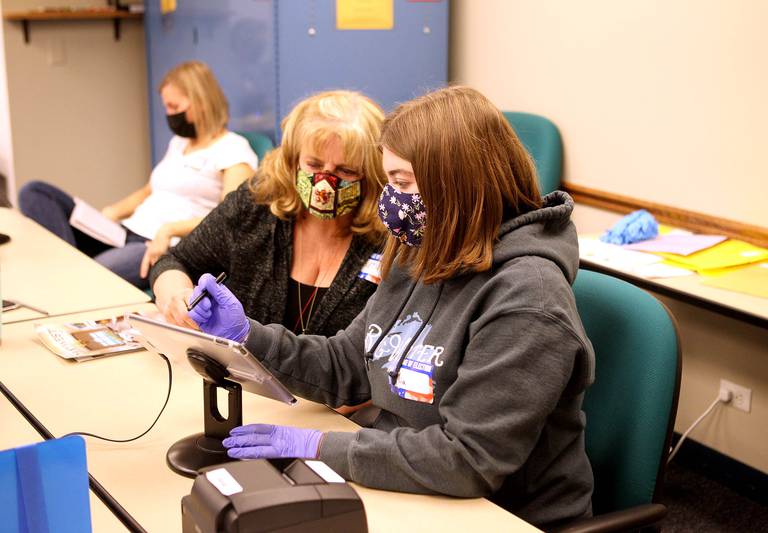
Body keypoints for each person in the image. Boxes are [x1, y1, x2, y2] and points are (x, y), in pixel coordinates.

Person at [186, 86, 595, 530]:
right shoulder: (423, 249)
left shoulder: (528, 300)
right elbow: (349, 363)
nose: (389, 201)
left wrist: (322, 448)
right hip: (406, 482)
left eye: (401, 183)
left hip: (499, 515)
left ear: (455, 184)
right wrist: (248, 336)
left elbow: (468, 460)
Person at [150, 90, 387, 343]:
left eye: (346, 170)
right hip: (239, 378)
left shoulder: (389, 240)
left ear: (373, 174)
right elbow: (175, 261)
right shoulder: (257, 205)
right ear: (292, 160)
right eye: (314, 165)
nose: (324, 184)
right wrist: (178, 296)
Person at [18, 61, 258, 289]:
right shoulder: (179, 143)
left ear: (201, 102)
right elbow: (148, 191)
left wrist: (169, 230)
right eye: (166, 107)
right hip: (124, 232)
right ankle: (72, 269)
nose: (168, 114)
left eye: (174, 107)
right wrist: (108, 214)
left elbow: (230, 218)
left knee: (93, 275)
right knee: (35, 192)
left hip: (157, 245)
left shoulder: (233, 148)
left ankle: (72, 273)